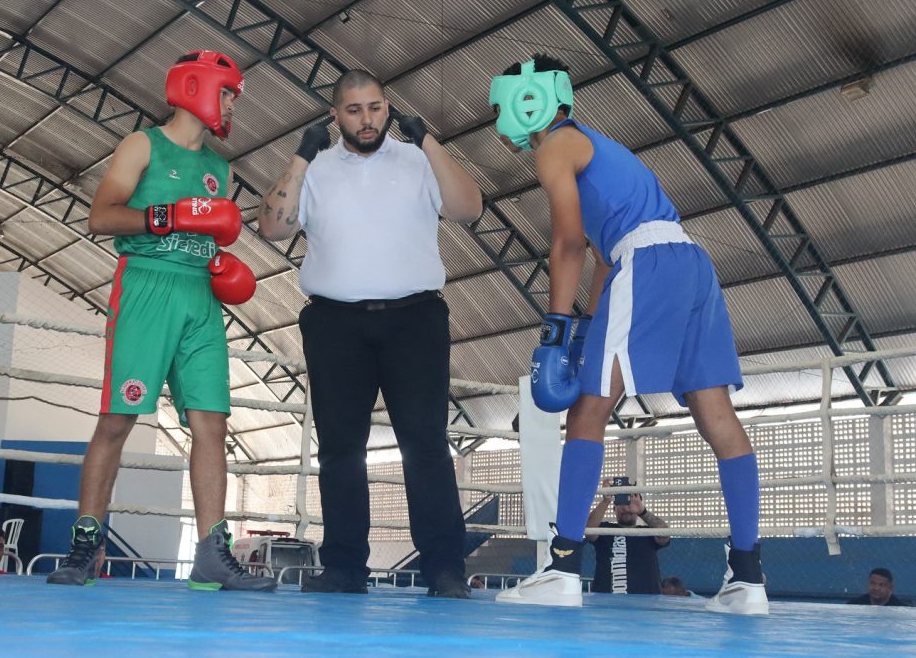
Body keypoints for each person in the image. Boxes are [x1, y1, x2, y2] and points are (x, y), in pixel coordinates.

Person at [490, 54, 767, 614]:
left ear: (528, 99)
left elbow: (567, 242)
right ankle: (748, 579)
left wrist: (555, 329)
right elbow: (599, 260)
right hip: (689, 263)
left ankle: (563, 567)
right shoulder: (601, 149)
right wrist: (587, 330)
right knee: (714, 411)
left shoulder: (556, 144)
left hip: (646, 265)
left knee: (587, 412)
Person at [46, 50, 273, 592]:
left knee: (212, 425)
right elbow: (101, 216)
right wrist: (169, 216)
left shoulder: (220, 169)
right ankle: (85, 546)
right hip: (146, 286)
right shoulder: (142, 144)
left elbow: (206, 232)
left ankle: (212, 555)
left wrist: (220, 265)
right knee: (118, 421)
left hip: (199, 296)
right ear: (196, 86)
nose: (229, 105)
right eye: (225, 92)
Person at [259, 69, 482, 598]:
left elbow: (470, 209)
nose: (367, 119)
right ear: (335, 116)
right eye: (355, 110)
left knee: (426, 444)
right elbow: (272, 227)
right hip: (335, 321)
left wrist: (427, 139)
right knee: (339, 448)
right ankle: (342, 568)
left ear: (388, 109)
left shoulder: (417, 160)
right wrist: (301, 154)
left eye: (376, 107)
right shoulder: (314, 168)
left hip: (415, 319)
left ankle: (444, 568)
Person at [585, 481, 669, 594]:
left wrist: (643, 511)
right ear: (614, 508)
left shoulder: (648, 532)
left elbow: (665, 535)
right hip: (606, 604)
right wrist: (606, 501)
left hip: (646, 604)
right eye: (622, 502)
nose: (627, 507)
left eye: (630, 502)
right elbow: (588, 530)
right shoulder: (604, 529)